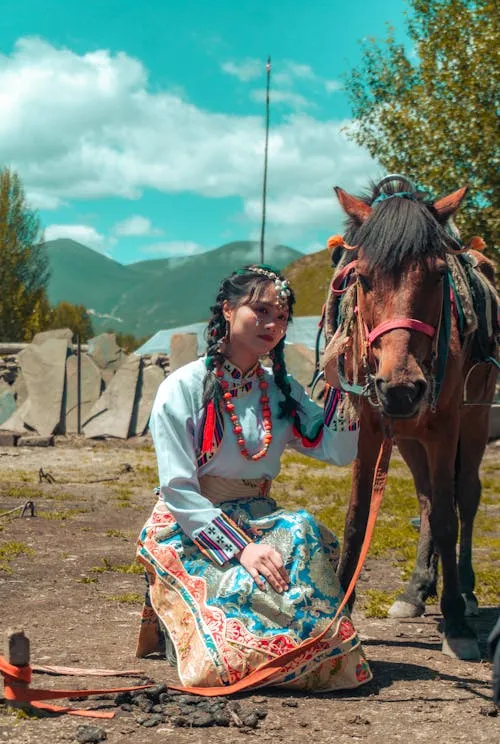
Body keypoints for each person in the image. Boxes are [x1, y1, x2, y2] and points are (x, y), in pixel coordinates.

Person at [136, 264, 372, 692]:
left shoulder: (279, 390)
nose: (272, 325)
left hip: (261, 520)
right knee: (222, 662)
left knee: (301, 528)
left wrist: (341, 385)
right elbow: (177, 490)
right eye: (260, 311)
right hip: (193, 524)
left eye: (281, 318)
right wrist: (240, 550)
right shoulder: (183, 386)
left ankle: (309, 649)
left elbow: (337, 450)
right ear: (227, 309)